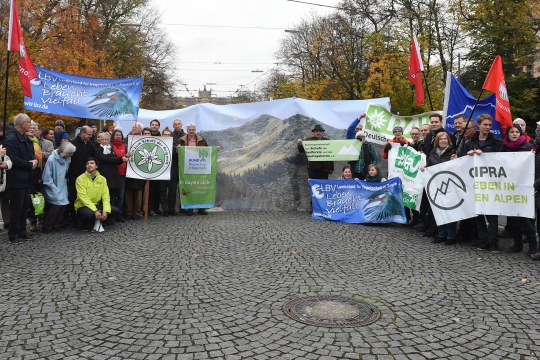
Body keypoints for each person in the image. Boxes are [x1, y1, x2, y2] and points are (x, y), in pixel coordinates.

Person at [464, 114, 504, 252]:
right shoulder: (469, 143)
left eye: (489, 125)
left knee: (492, 214)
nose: (487, 127)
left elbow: (501, 161)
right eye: (485, 125)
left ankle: (493, 242)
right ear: (479, 125)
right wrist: (466, 155)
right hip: (474, 183)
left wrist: (486, 155)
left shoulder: (497, 143)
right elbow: (461, 162)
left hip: (491, 184)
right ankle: (483, 241)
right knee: (479, 214)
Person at [502, 124, 537, 255]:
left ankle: (533, 245)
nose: (514, 134)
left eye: (517, 132)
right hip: (509, 188)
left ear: (521, 133)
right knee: (512, 220)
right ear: (508, 134)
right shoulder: (503, 148)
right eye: (512, 132)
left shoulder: (528, 148)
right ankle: (517, 244)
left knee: (525, 219)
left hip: (523, 188)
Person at [4, 113, 38, 243]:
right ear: (22, 124)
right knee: (16, 208)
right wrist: (30, 164)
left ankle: (22, 232)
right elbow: (14, 159)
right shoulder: (11, 138)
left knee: (24, 207)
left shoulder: (23, 137)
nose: (30, 124)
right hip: (16, 178)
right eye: (29, 122)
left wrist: (34, 160)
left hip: (25, 177)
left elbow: (28, 153)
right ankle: (13, 235)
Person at [422, 132, 457, 245]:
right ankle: (441, 234)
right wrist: (425, 168)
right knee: (438, 211)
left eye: (445, 139)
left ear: (448, 140)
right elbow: (429, 166)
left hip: (449, 186)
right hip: (436, 186)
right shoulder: (433, 152)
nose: (443, 141)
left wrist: (455, 160)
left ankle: (451, 236)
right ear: (437, 141)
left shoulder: (453, 152)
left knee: (449, 212)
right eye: (441, 139)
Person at [74, 158, 119, 231]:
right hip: (82, 205)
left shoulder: (102, 179)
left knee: (115, 210)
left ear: (96, 166)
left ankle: (100, 221)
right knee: (90, 214)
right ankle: (83, 224)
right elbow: (83, 197)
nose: (89, 165)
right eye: (87, 163)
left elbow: (106, 196)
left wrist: (105, 211)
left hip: (96, 204)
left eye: (92, 163)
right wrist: (95, 210)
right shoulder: (80, 179)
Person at [42, 142, 76, 233]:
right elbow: (47, 177)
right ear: (64, 152)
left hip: (62, 185)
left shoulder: (66, 158)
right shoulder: (52, 159)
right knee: (57, 205)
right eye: (70, 153)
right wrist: (54, 188)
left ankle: (55, 224)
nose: (71, 155)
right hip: (53, 185)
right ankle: (48, 226)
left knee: (63, 204)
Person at [67, 126, 98, 223]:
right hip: (74, 177)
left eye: (92, 134)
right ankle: (73, 219)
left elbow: (98, 156)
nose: (91, 136)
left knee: (85, 198)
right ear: (82, 133)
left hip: (87, 177)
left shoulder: (90, 145)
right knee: (73, 198)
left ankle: (83, 219)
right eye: (89, 134)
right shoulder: (71, 144)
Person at [95, 132, 129, 221]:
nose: (104, 141)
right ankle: (106, 216)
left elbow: (115, 160)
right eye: (102, 139)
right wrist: (120, 159)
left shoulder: (111, 148)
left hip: (113, 176)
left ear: (109, 140)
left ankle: (113, 216)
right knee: (105, 197)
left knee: (113, 196)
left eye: (106, 139)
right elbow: (104, 159)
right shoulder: (98, 149)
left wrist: (125, 157)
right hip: (103, 175)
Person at [180, 123, 211, 215]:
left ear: (195, 130)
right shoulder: (181, 140)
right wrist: (178, 149)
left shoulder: (202, 139)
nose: (191, 131)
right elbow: (179, 152)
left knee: (200, 187)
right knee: (189, 187)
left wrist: (214, 149)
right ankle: (190, 208)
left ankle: (201, 208)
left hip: (200, 167)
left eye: (193, 130)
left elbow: (208, 150)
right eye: (189, 130)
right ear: (187, 130)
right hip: (187, 167)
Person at [346, 113, 378, 180]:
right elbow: (349, 130)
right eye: (357, 129)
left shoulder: (368, 145)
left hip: (366, 172)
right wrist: (360, 117)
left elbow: (374, 159)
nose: (359, 131)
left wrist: (372, 168)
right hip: (354, 171)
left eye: (361, 129)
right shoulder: (351, 141)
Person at [124, 123, 145, 220]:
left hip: (140, 168)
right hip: (128, 167)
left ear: (140, 129)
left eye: (135, 127)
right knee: (128, 191)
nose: (133, 128)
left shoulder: (144, 139)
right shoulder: (127, 138)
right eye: (133, 127)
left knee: (138, 192)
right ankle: (129, 212)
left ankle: (137, 212)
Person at [111, 129, 129, 221]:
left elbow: (126, 158)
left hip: (122, 174)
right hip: (113, 174)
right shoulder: (110, 146)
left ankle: (119, 214)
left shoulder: (125, 146)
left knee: (121, 196)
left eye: (120, 135)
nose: (118, 136)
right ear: (113, 136)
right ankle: (112, 215)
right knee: (112, 196)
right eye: (116, 135)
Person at [159, 127, 178, 216]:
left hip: (173, 173)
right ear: (162, 136)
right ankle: (165, 209)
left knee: (172, 192)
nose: (166, 136)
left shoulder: (175, 147)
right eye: (165, 134)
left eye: (168, 134)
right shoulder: (158, 146)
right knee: (163, 192)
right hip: (162, 173)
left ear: (171, 136)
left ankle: (172, 208)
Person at [0, 145, 13, 230]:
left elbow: (8, 160)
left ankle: (7, 221)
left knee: (4, 200)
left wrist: (6, 165)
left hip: (3, 181)